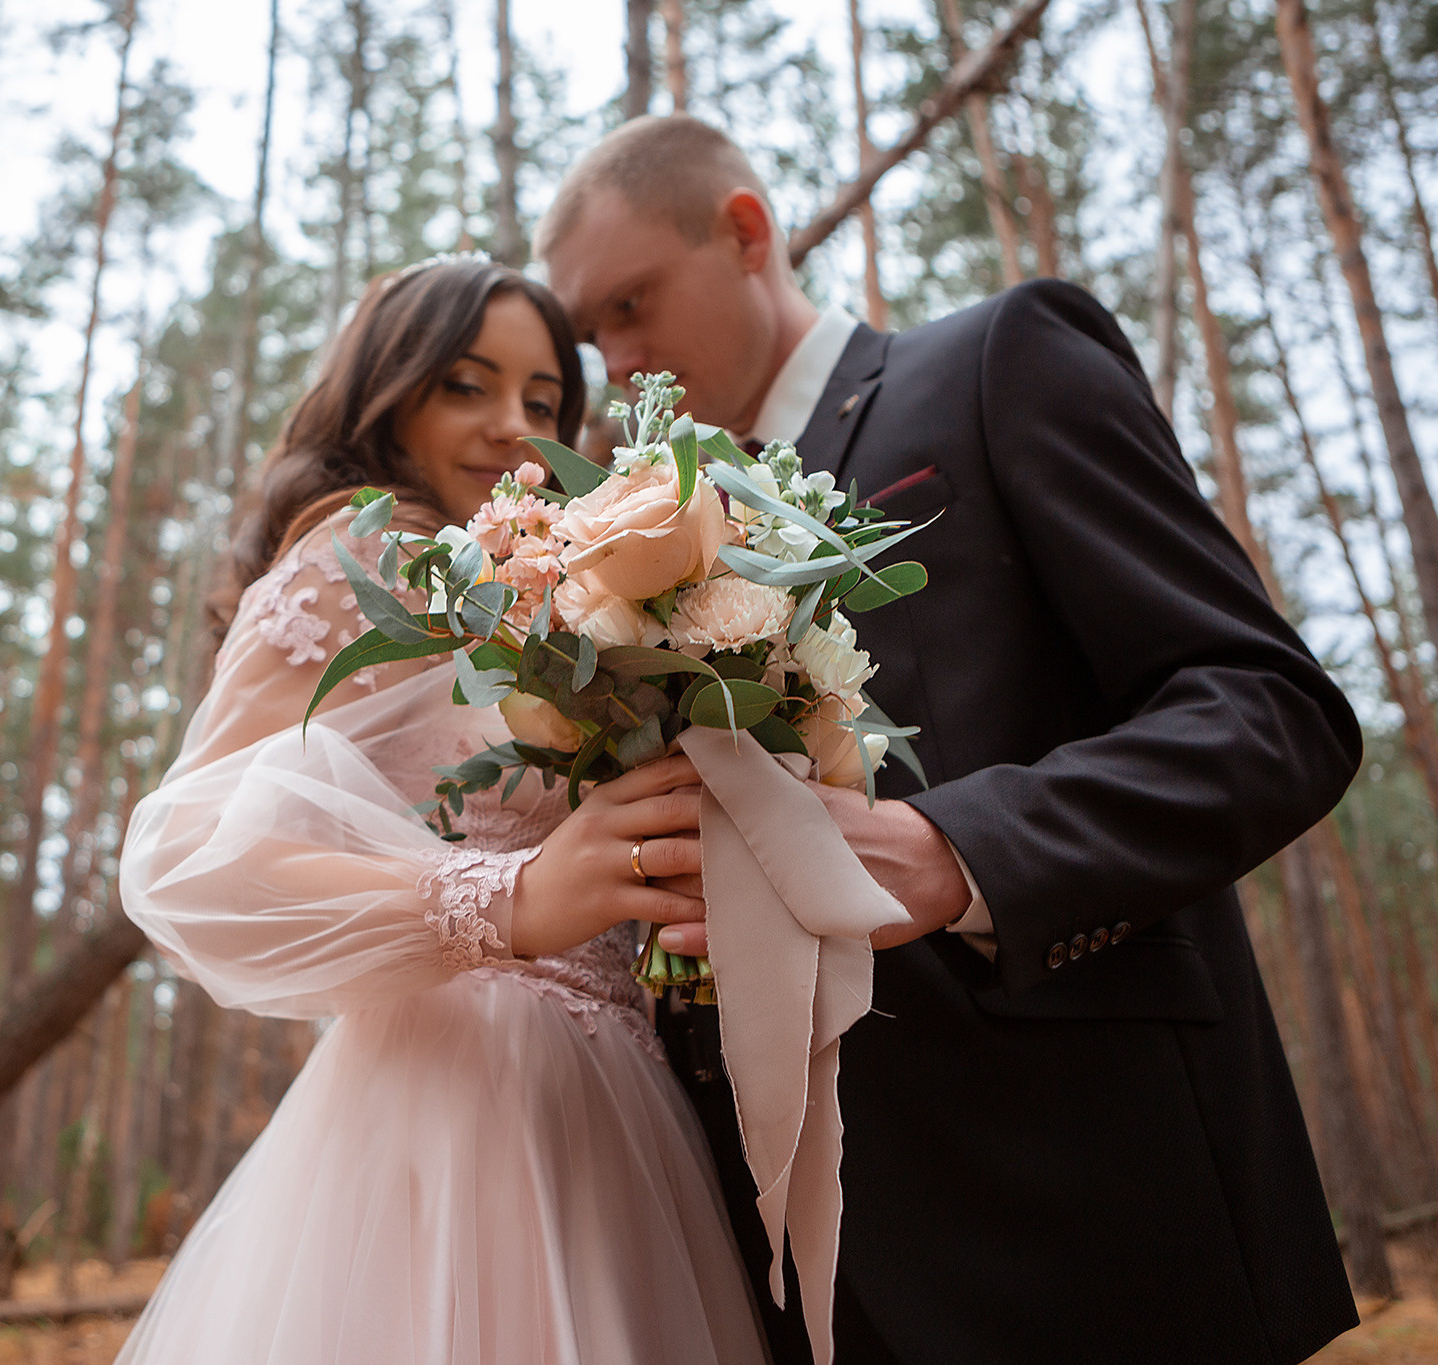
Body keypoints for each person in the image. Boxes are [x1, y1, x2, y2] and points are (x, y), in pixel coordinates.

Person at [537, 115, 1363, 1364]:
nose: (619, 356)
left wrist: (957, 849)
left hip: (1075, 1214)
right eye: (594, 333)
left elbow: (1264, 708)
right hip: (784, 1270)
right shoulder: (632, 550)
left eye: (631, 303)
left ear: (746, 232)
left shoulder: (995, 363)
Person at [111, 255, 769, 1363]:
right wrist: (502, 899)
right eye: (467, 385)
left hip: (625, 1116)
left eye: (542, 400)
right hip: (457, 1109)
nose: (511, 424)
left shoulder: (559, 598)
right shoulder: (367, 552)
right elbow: (184, 856)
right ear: (391, 389)